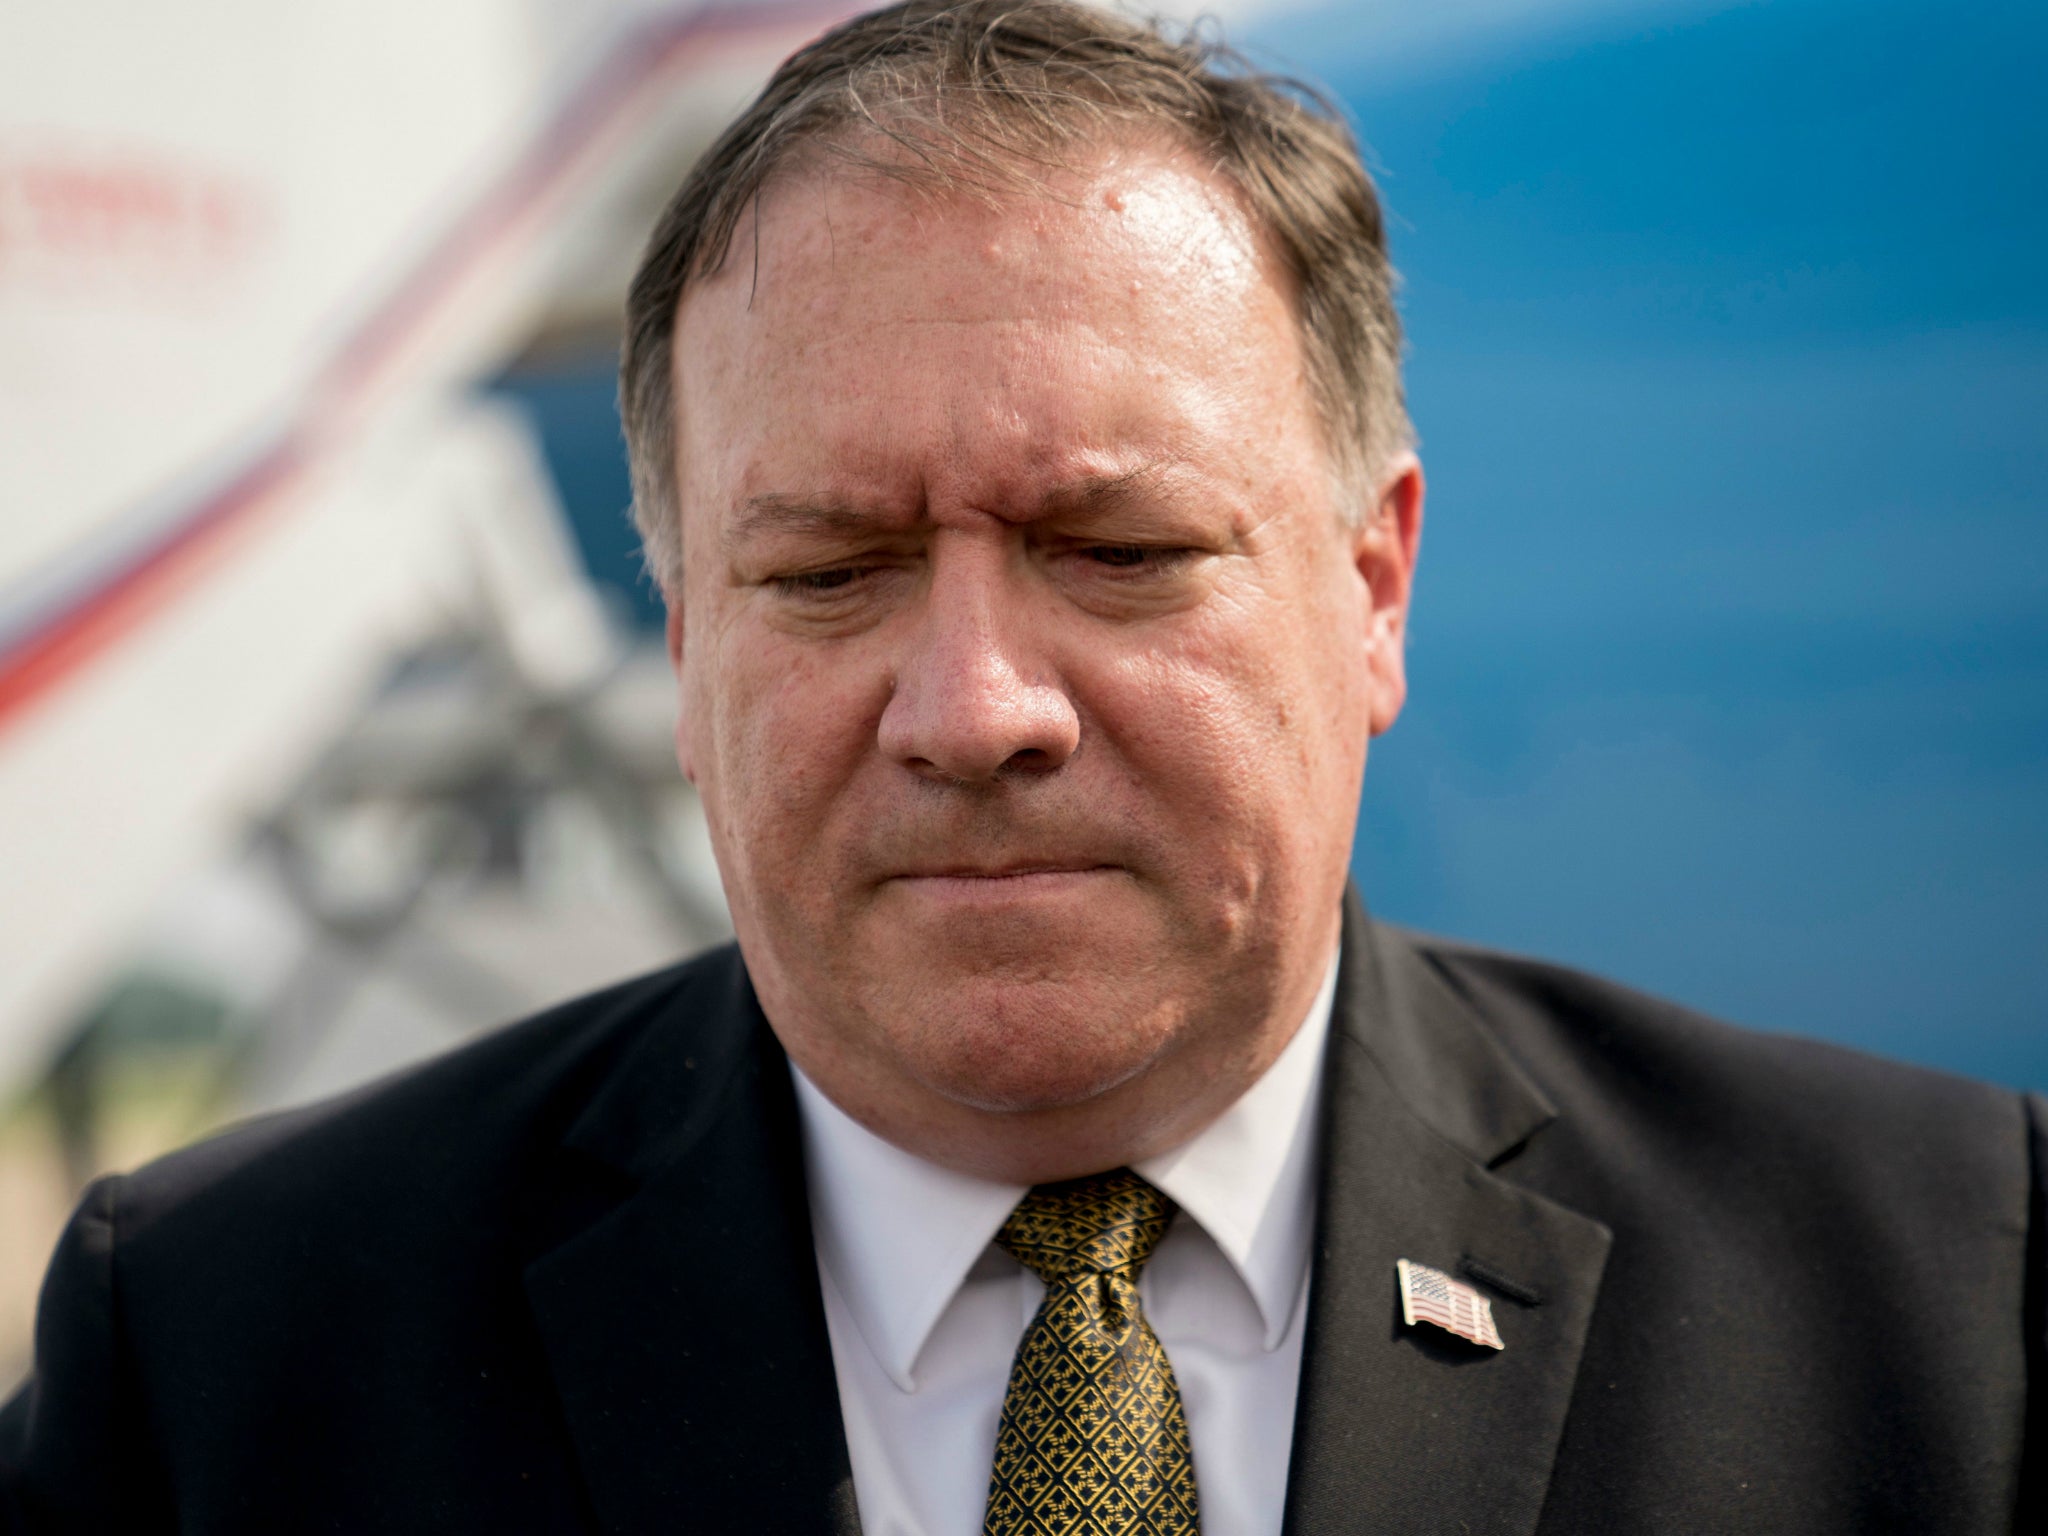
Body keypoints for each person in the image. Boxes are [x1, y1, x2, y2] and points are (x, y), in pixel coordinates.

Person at [2, 2, 2041, 1531]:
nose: (974, 707)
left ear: (1371, 587)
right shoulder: (221, 1367)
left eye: (1119, 552)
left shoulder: (1939, 1304)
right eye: (827, 570)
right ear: (688, 628)